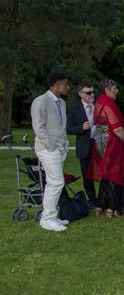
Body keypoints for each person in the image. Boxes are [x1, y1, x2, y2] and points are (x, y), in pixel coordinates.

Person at [31, 71, 71, 231]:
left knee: (53, 182)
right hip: (47, 149)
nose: (68, 87)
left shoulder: (61, 103)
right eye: (66, 84)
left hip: (60, 148)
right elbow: (39, 127)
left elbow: (61, 126)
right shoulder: (41, 101)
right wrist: (51, 146)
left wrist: (64, 144)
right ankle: (47, 219)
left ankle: (52, 216)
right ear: (57, 84)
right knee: (56, 182)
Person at [88, 79, 124, 218]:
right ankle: (113, 207)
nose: (116, 91)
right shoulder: (108, 103)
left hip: (101, 142)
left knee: (106, 175)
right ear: (107, 89)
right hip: (112, 144)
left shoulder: (98, 102)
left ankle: (101, 205)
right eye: (114, 88)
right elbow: (117, 128)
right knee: (114, 175)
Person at [66, 82, 97, 208]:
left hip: (98, 143)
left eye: (93, 92)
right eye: (89, 92)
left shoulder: (98, 106)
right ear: (81, 94)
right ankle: (92, 199)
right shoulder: (74, 108)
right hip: (84, 145)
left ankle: (106, 197)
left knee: (103, 172)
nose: (92, 95)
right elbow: (68, 129)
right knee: (87, 174)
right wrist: (81, 127)